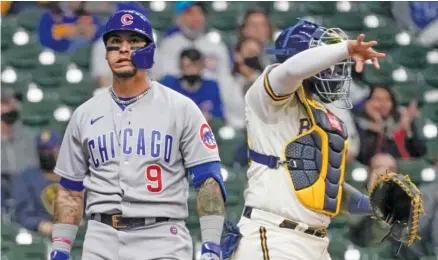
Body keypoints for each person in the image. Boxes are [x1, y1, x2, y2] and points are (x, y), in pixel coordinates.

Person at [49, 10, 226, 260]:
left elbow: (208, 179)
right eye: (115, 44)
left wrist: (211, 244)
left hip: (163, 237)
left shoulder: (181, 108)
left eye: (133, 42)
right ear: (106, 54)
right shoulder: (85, 114)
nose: (123, 50)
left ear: (150, 51)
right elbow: (70, 189)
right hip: (101, 238)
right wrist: (61, 246)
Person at [221, 19, 386, 260]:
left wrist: (375, 205)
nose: (335, 67)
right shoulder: (266, 98)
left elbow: (325, 189)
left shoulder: (324, 115)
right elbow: (290, 71)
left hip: (315, 243)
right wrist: (344, 48)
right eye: (327, 59)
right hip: (274, 235)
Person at [355, 85, 426, 166]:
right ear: (367, 102)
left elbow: (420, 153)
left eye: (387, 99)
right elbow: (364, 157)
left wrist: (408, 131)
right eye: (378, 99)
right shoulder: (360, 125)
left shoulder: (402, 121)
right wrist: (378, 122)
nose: (383, 104)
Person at [12, 129, 63, 235]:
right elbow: (23, 213)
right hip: (43, 235)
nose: (45, 154)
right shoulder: (27, 178)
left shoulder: (79, 176)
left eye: (50, 150)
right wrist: (41, 224)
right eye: (42, 150)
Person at [160, 48, 224, 123]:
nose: (192, 70)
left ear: (202, 66)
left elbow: (219, 113)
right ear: (180, 66)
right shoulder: (170, 84)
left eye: (196, 66)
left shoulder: (211, 86)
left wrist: (209, 116)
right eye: (188, 66)